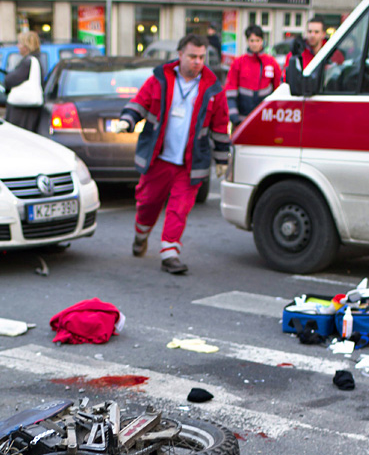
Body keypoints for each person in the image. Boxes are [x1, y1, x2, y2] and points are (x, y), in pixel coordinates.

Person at [116, 34, 230, 275]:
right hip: (159, 158)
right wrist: (127, 120)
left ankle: (170, 252)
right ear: (179, 56)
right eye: (192, 56)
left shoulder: (213, 88)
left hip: (191, 162)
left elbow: (220, 124)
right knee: (147, 203)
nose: (198, 62)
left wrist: (222, 159)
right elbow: (141, 102)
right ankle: (141, 234)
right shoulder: (161, 79)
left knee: (180, 208)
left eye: (201, 57)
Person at [225, 24, 280, 127]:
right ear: (247, 41)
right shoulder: (238, 62)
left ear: (262, 41)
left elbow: (278, 90)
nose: (254, 44)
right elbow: (230, 90)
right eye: (252, 40)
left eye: (258, 40)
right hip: (241, 118)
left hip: (264, 118)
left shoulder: (271, 62)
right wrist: (233, 116)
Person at [3, 30, 44, 132]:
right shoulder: (37, 59)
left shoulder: (27, 62)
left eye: (20, 43)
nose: (18, 46)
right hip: (30, 111)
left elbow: (10, 80)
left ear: (26, 46)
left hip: (23, 112)